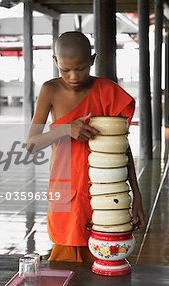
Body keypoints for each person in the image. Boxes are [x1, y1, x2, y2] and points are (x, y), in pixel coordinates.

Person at [26, 31, 145, 263]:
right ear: (55, 61)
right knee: (65, 263)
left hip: (105, 188)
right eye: (65, 69)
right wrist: (65, 129)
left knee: (106, 257)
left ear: (92, 59)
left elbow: (123, 149)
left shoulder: (107, 91)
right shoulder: (50, 90)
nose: (72, 76)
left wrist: (136, 196)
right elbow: (31, 144)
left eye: (80, 68)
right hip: (65, 186)